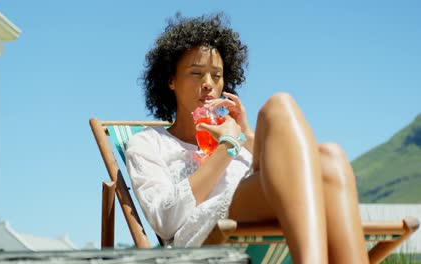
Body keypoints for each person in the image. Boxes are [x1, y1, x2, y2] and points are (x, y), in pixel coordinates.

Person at [125, 13, 369, 263]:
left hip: (262, 207)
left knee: (330, 155)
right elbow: (166, 222)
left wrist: (246, 134)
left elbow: (272, 171)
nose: (208, 83)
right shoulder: (147, 143)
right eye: (197, 74)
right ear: (171, 80)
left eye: (216, 76)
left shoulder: (237, 137)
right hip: (200, 234)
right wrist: (226, 148)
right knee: (279, 106)